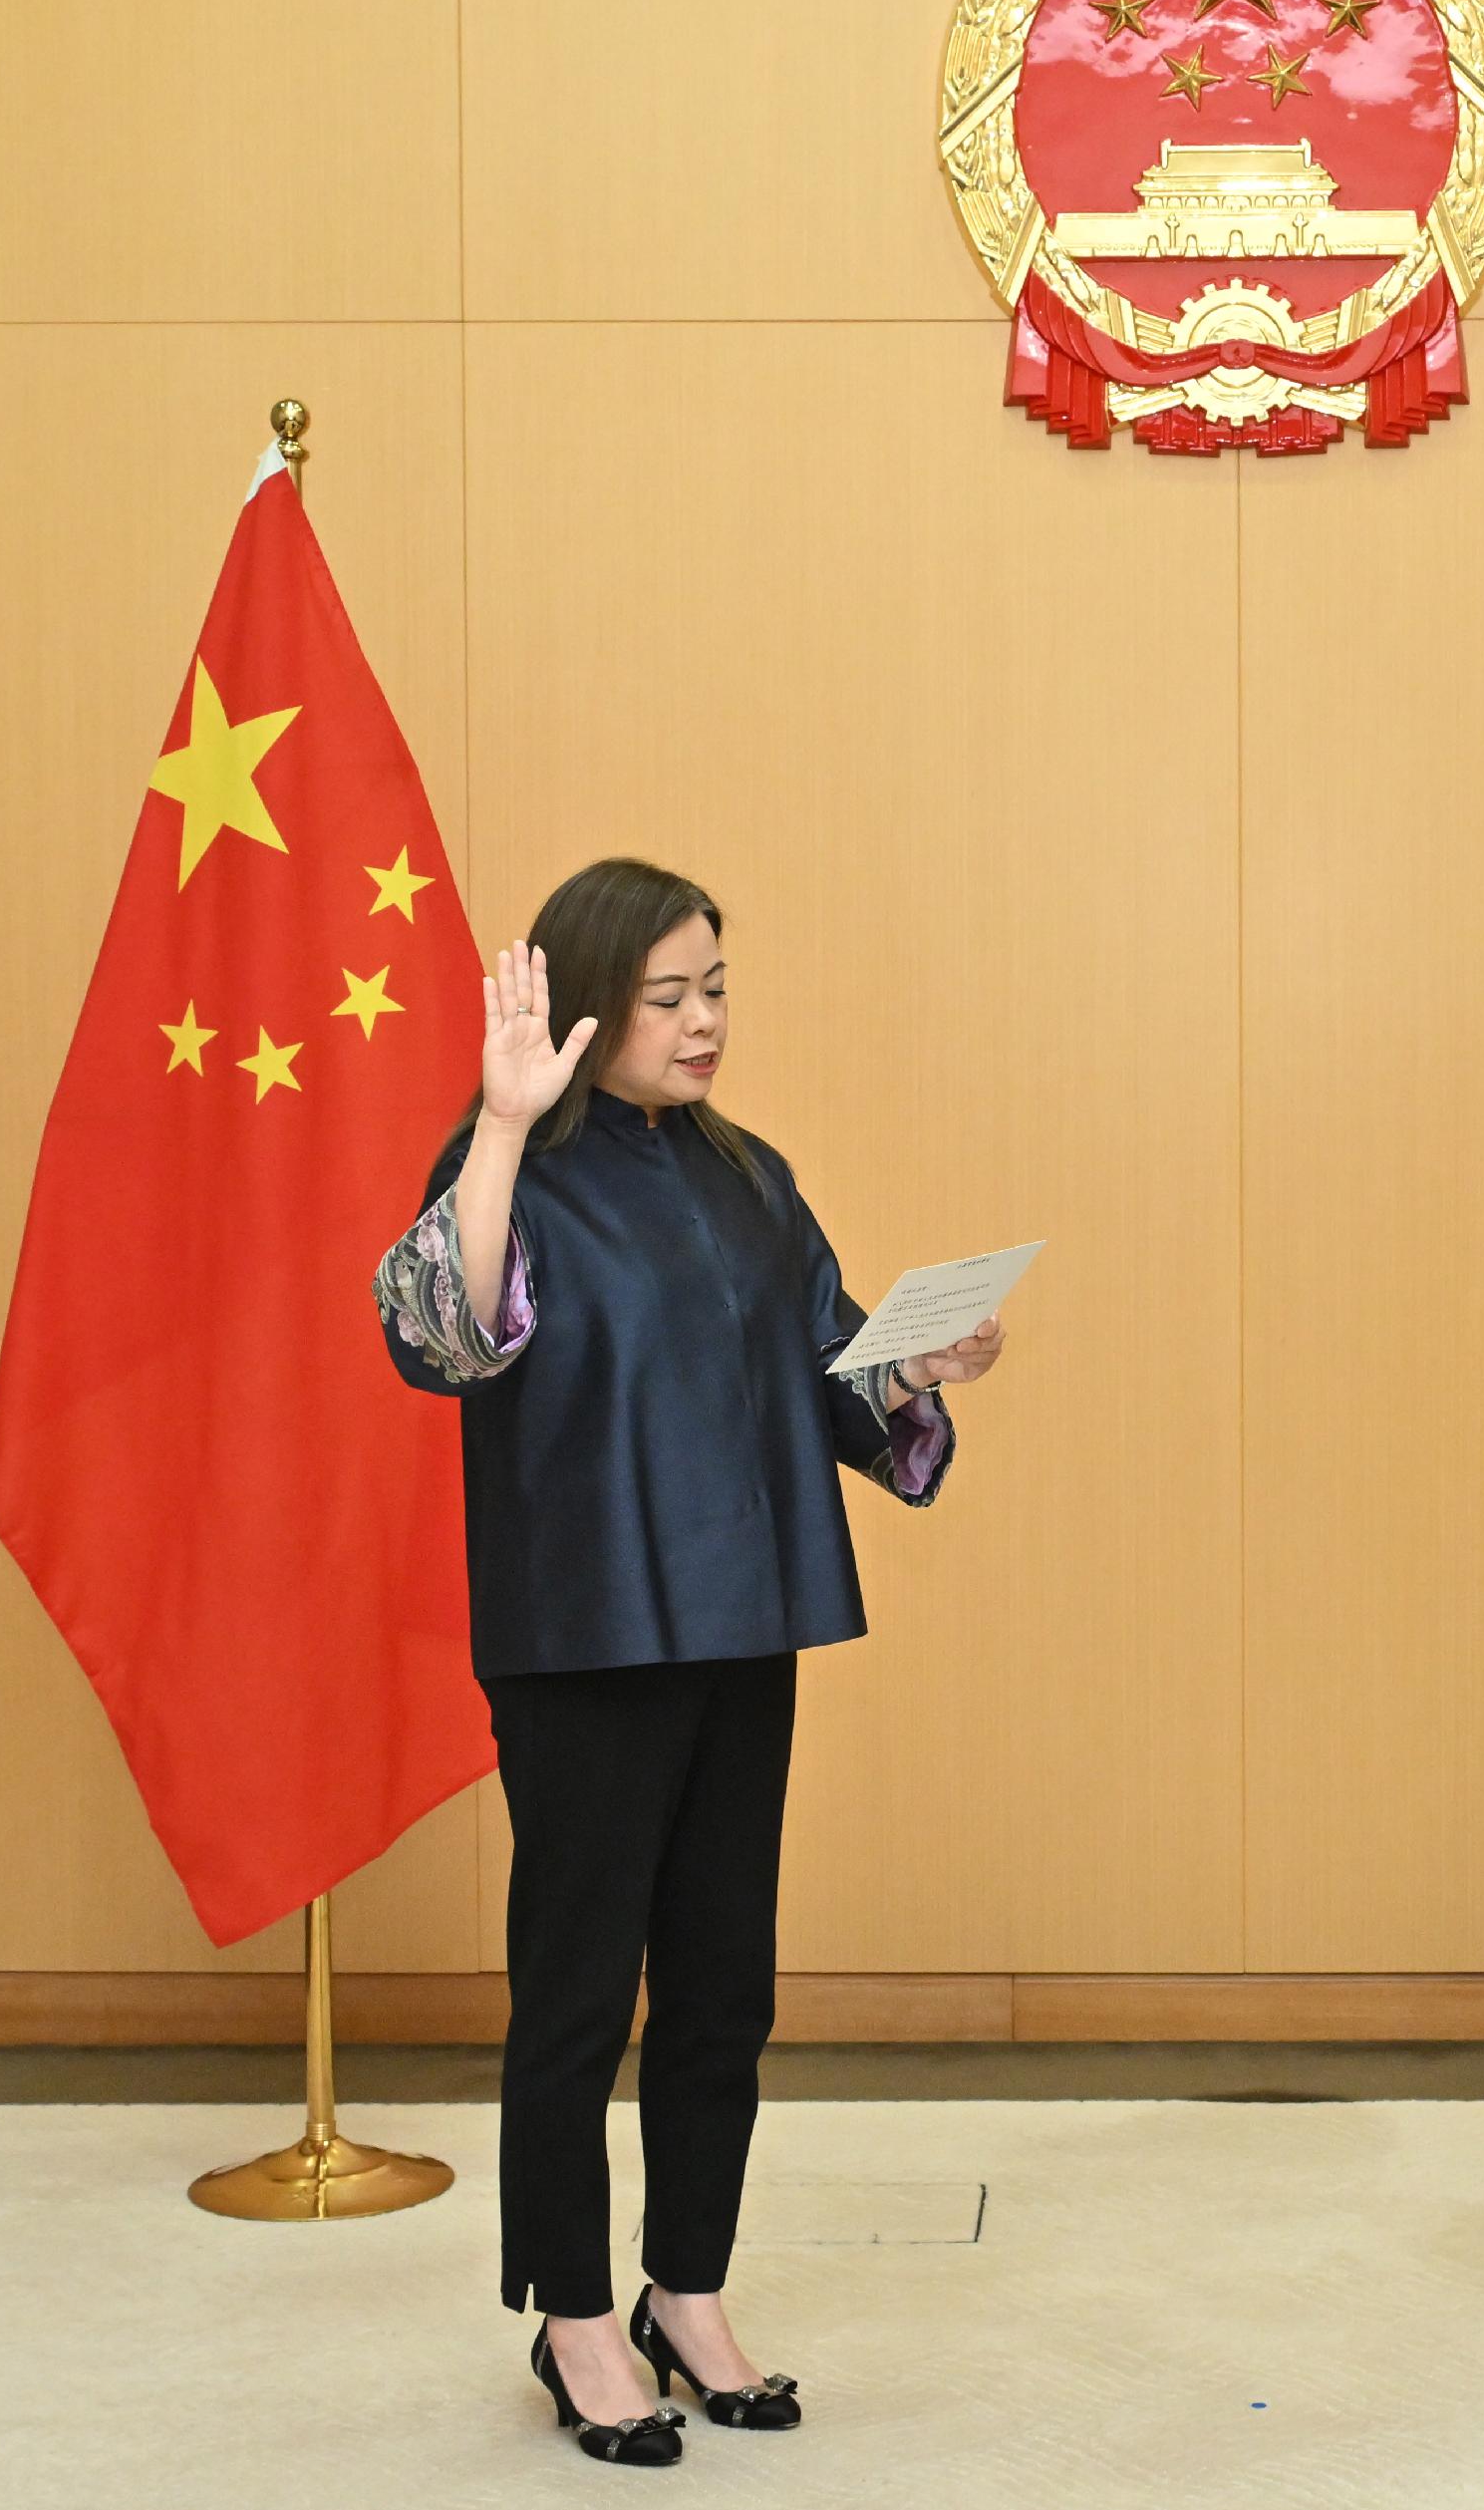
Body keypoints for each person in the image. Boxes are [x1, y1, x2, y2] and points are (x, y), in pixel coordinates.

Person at [374, 857, 1004, 2468]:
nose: (708, 1018)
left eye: (718, 985)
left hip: (742, 1619)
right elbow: (442, 1334)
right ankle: (575, 2316)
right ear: (591, 1007)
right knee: (581, 1989)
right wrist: (505, 1124)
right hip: (586, 1639)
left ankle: (689, 2292)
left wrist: (916, 1366)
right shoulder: (508, 1163)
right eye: (672, 995)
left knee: (724, 1980)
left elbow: (832, 1372)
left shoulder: (750, 1175)